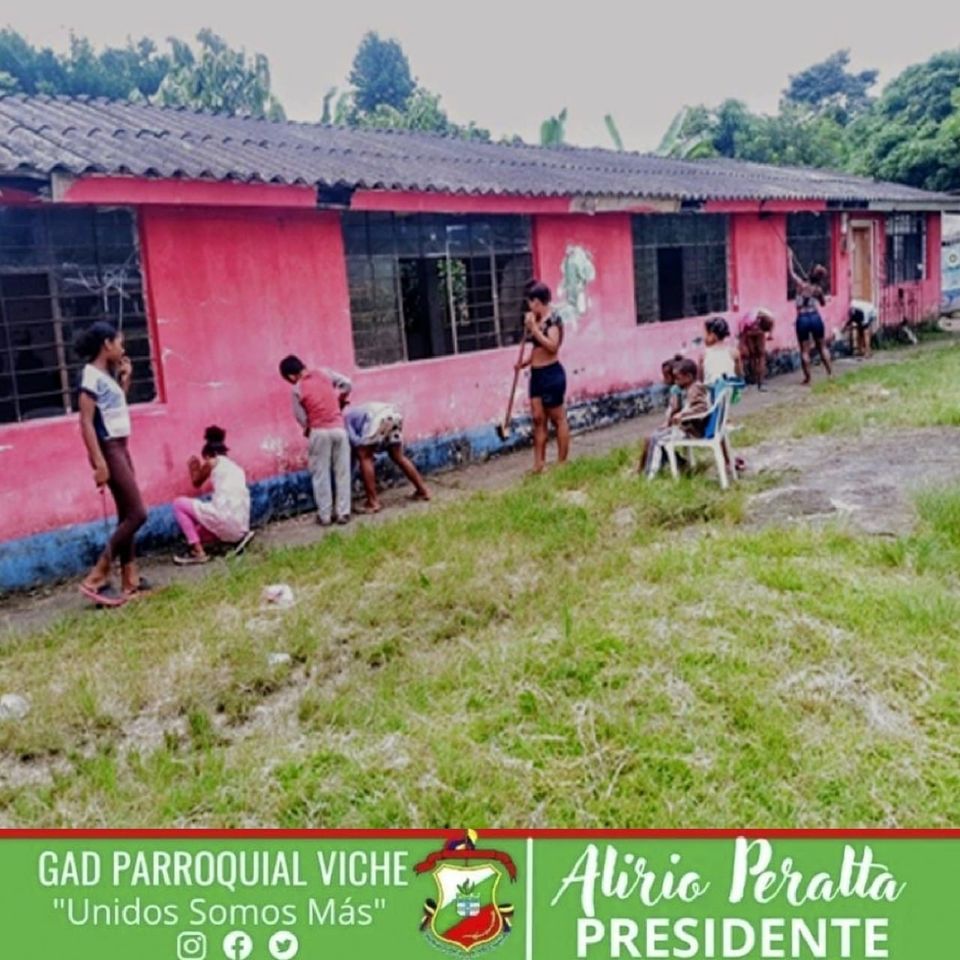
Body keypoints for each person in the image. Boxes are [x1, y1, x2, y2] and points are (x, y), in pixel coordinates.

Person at [76, 321, 148, 607]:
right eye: (119, 342)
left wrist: (125, 381)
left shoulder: (105, 376)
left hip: (121, 446)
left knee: (126, 514)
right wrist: (99, 463)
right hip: (109, 449)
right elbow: (86, 422)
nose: (122, 348)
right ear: (106, 344)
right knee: (138, 514)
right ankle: (97, 576)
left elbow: (114, 409)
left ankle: (130, 581)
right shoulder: (91, 375)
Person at [279, 355, 352, 526]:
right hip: (339, 429)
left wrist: (310, 426)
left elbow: (301, 417)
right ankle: (343, 512)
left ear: (291, 376)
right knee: (342, 471)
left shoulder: (297, 388)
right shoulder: (325, 373)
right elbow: (347, 384)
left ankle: (325, 516)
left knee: (321, 474)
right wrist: (339, 400)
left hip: (319, 431)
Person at [172, 426, 253, 564]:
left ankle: (198, 552)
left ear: (209, 455)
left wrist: (194, 468)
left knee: (178, 504)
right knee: (198, 530)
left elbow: (196, 482)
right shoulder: (237, 468)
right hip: (241, 528)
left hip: (225, 520)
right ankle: (233, 540)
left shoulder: (212, 461)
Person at [517, 281, 570, 473]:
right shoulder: (536, 320)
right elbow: (537, 349)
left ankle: (562, 463)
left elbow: (553, 346)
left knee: (557, 418)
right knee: (538, 418)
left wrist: (535, 330)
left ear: (537, 302)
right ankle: (539, 464)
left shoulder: (553, 319)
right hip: (536, 375)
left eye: (530, 303)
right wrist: (524, 363)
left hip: (551, 374)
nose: (529, 307)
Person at [344, 401, 430, 513]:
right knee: (398, 456)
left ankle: (373, 502)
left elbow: (357, 443)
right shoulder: (354, 413)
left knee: (365, 457)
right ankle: (422, 490)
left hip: (377, 419)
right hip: (393, 414)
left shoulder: (343, 421)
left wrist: (365, 455)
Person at [642, 358, 710, 479]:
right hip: (686, 428)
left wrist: (682, 415)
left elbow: (702, 407)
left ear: (688, 377)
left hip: (691, 429)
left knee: (656, 439)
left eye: (678, 378)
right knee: (655, 436)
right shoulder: (688, 388)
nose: (676, 381)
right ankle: (672, 465)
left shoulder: (695, 388)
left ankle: (650, 474)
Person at [788, 256, 833, 384]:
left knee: (804, 350)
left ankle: (808, 378)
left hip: (802, 318)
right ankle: (830, 373)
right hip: (815, 317)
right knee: (822, 347)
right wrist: (821, 297)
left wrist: (789, 258)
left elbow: (791, 272)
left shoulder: (800, 285)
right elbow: (823, 304)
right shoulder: (818, 290)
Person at [737, 308, 775, 390]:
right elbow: (772, 322)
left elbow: (743, 331)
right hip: (758, 332)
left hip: (749, 333)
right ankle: (761, 381)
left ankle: (755, 379)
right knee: (761, 357)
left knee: (753, 357)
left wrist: (742, 343)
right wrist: (770, 334)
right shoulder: (768, 315)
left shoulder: (748, 318)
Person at [699, 317, 741, 387]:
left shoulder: (703, 354)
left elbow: (701, 380)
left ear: (712, 335)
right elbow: (739, 376)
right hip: (730, 390)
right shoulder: (734, 352)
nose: (703, 337)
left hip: (712, 391)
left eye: (705, 334)